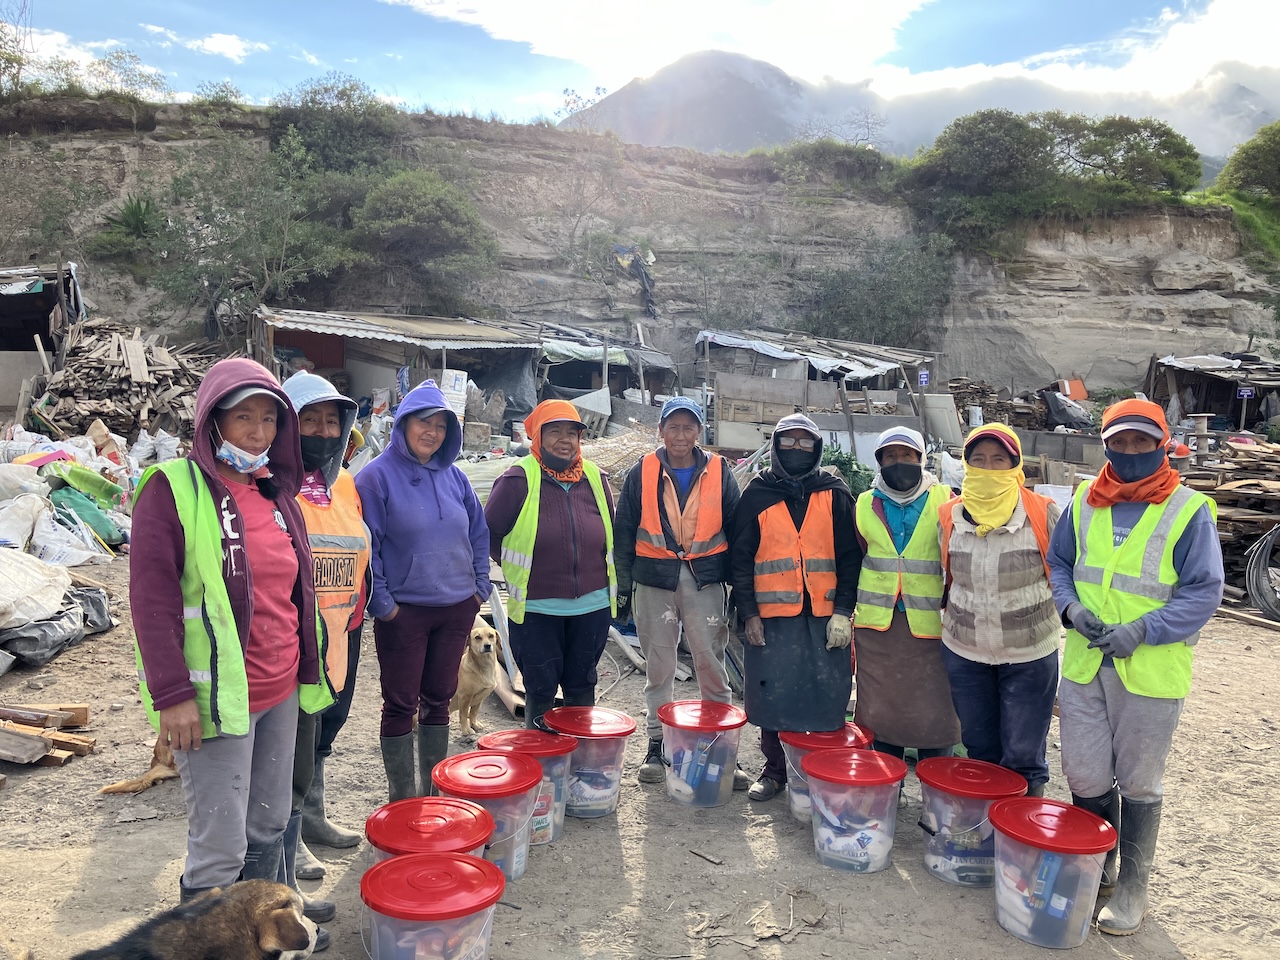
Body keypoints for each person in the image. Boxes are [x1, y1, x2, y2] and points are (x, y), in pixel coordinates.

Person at [130, 359, 333, 919]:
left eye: (270, 419)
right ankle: (209, 948)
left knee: (267, 822)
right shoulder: (172, 488)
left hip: (280, 688)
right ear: (210, 422)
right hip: (214, 699)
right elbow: (152, 600)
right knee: (220, 845)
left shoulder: (274, 492)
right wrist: (172, 696)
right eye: (243, 417)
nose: (258, 432)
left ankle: (263, 935)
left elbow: (292, 593)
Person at [1048, 400, 1222, 936]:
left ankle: (1133, 887)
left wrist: (1143, 629)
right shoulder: (1083, 499)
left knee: (1140, 781)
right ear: (1105, 445)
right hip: (1085, 662)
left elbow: (1204, 591)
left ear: (1163, 445)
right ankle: (1098, 865)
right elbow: (1060, 563)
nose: (1129, 452)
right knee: (1084, 773)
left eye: (1141, 442)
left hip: (1148, 670)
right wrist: (1070, 607)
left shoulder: (1189, 510)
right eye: (1119, 442)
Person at [355, 379, 490, 800]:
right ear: (403, 425)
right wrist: (385, 606)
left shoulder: (457, 479)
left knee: (439, 697)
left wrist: (479, 589)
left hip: (455, 609)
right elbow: (368, 546)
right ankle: (402, 798)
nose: (432, 431)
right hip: (406, 612)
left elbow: (479, 532)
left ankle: (433, 792)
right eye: (423, 422)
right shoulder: (375, 478)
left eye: (441, 425)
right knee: (400, 703)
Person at [613, 396, 748, 789]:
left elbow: (737, 531)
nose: (680, 436)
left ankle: (722, 747)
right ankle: (657, 743)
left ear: (700, 433)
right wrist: (623, 587)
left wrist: (737, 588)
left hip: (704, 579)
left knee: (710, 661)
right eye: (673, 427)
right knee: (658, 665)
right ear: (661, 430)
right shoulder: (644, 470)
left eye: (689, 428)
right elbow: (624, 530)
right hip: (655, 579)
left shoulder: (720, 470)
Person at [729, 414, 862, 801]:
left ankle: (820, 773)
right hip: (771, 620)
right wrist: (749, 614)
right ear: (775, 446)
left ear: (817, 449)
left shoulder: (834, 493)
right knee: (774, 695)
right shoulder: (757, 494)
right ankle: (774, 772)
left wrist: (843, 611)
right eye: (789, 442)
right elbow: (740, 561)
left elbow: (851, 557)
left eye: (806, 443)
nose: (798, 450)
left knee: (826, 693)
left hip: (825, 616)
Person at [281, 372, 370, 887]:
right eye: (309, 419)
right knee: (292, 742)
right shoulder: (275, 487)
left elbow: (359, 546)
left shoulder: (345, 485)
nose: (322, 430)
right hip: (296, 637)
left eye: (331, 421)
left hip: (343, 629)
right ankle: (288, 845)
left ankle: (312, 817)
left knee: (327, 727)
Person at [938, 424, 1059, 797]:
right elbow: (945, 575)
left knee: (1024, 752)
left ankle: (1023, 830)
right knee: (979, 746)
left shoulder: (1042, 512)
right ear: (966, 464)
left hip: (1029, 651)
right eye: (979, 459)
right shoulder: (949, 515)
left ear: (1014, 463)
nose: (988, 468)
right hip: (965, 650)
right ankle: (987, 828)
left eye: (998, 459)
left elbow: (1065, 573)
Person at [485, 399, 617, 729]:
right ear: (537, 437)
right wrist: (524, 570)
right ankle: (544, 768)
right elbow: (487, 534)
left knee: (581, 688)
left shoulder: (596, 478)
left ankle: (580, 766)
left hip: (592, 607)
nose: (564, 439)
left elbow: (613, 532)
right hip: (536, 610)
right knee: (540, 692)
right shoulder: (517, 480)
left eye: (572, 432)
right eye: (554, 430)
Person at [852, 427, 960, 762]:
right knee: (882, 713)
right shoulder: (865, 503)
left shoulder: (947, 499)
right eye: (891, 456)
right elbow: (859, 553)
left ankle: (936, 795)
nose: (899, 462)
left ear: (921, 459)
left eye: (907, 455)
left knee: (936, 713)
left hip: (932, 627)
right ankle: (887, 786)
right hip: (878, 628)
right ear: (880, 462)